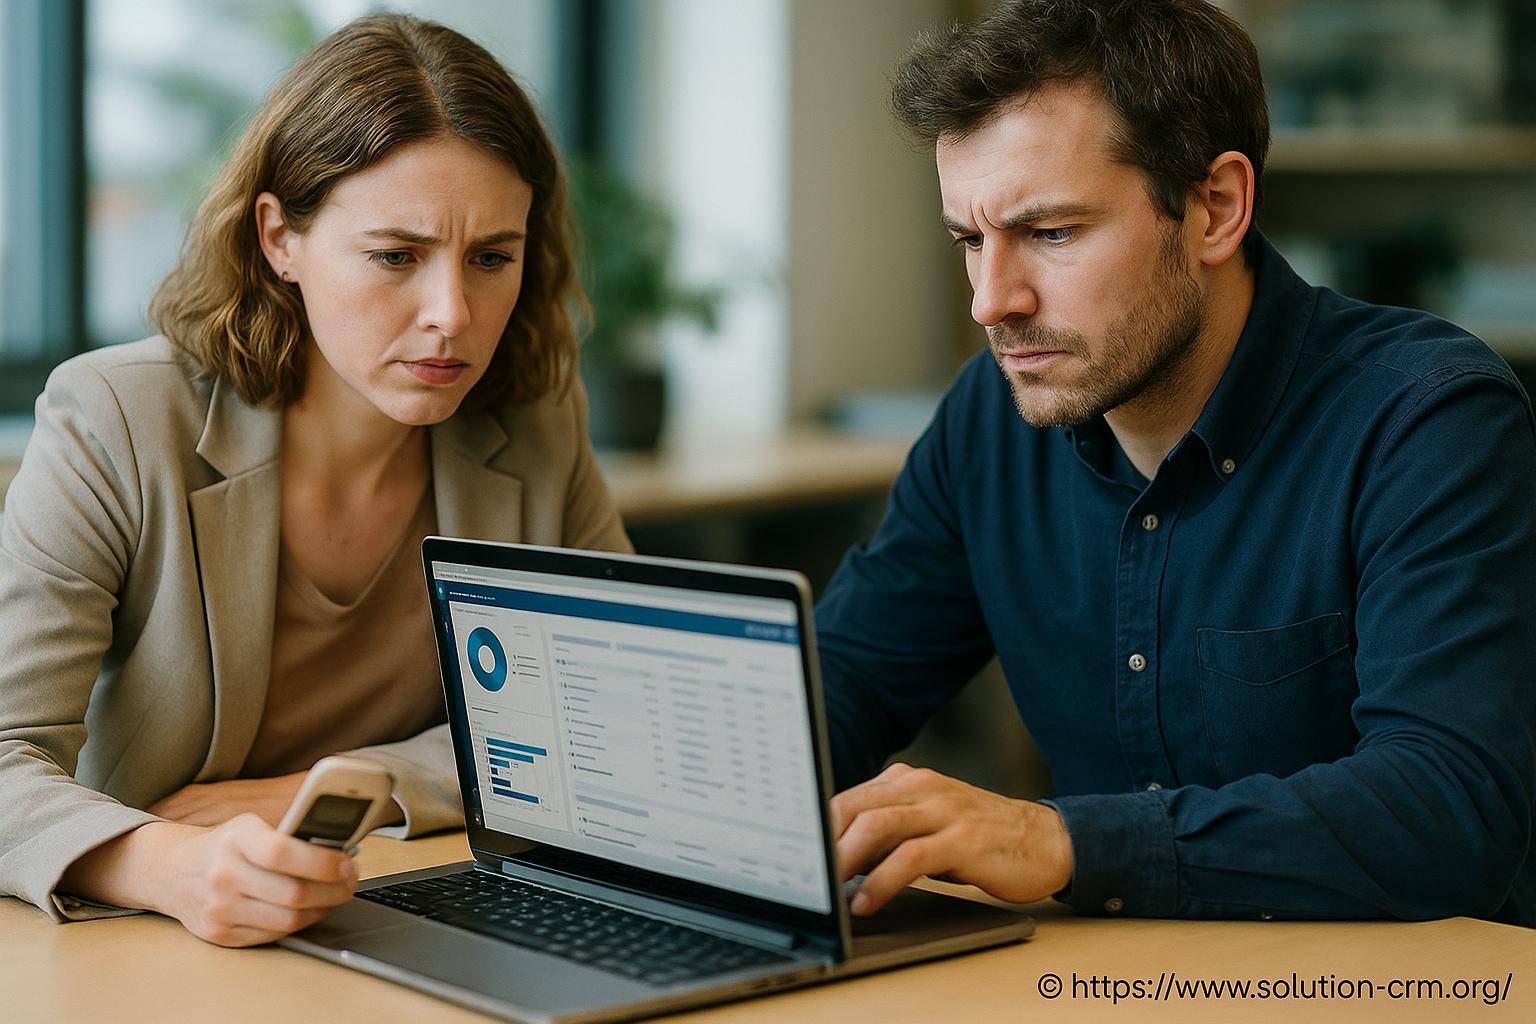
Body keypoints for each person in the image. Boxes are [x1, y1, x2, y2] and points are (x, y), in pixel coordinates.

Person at [820, 0, 1536, 926]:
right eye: (970, 240)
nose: (991, 302)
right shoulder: (988, 424)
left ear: (1216, 209)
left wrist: (1061, 842)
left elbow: (1447, 810)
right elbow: (846, 686)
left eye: (1052, 233)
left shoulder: (1427, 418)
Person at [0, 14, 629, 947]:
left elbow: (605, 725)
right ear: (278, 239)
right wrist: (169, 862)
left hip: (399, 914)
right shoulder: (117, 420)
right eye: (395, 256)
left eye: (493, 257)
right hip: (143, 942)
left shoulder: (533, 423)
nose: (452, 315)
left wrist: (351, 786)